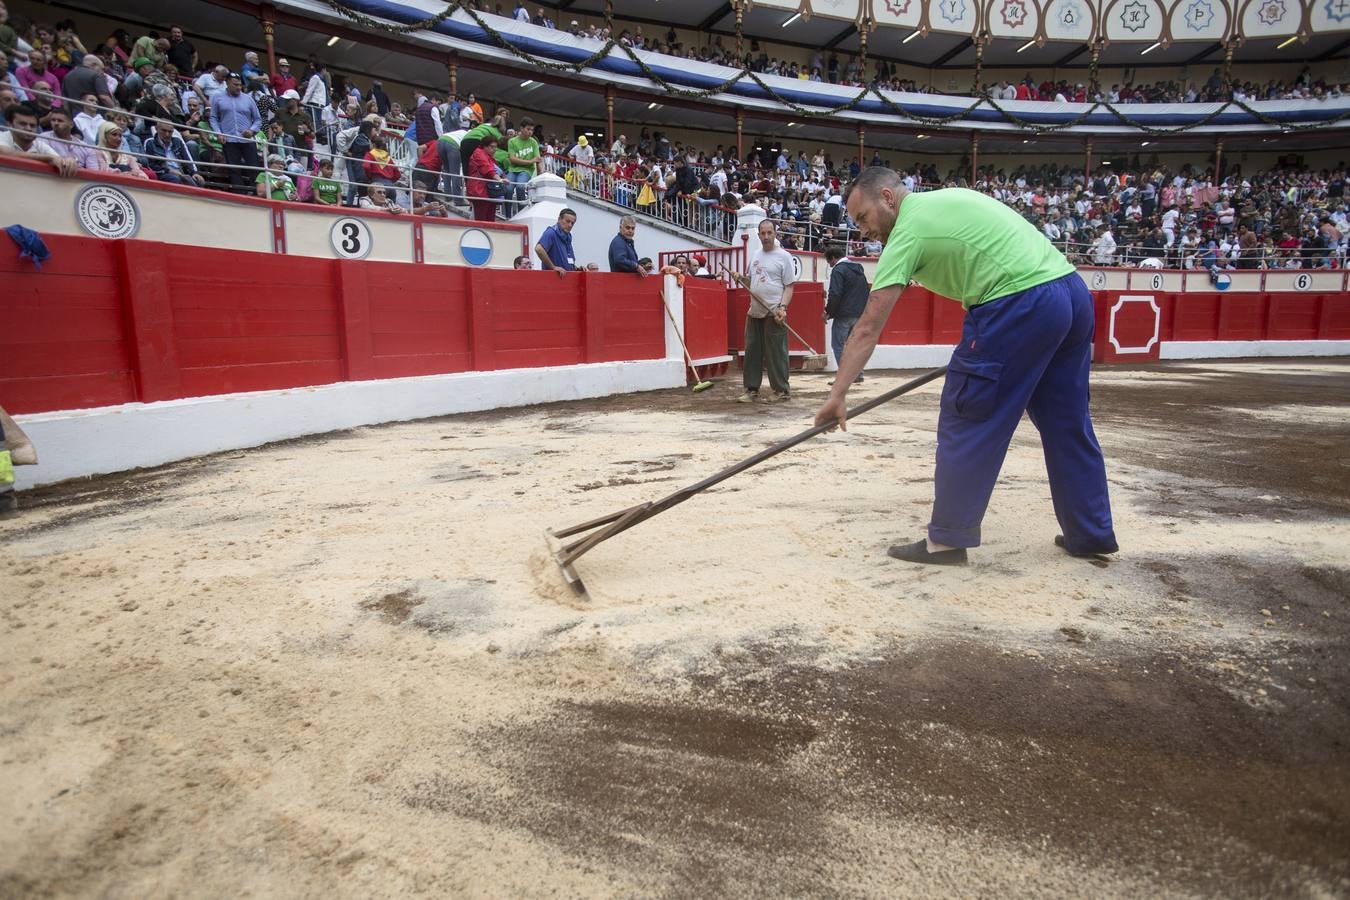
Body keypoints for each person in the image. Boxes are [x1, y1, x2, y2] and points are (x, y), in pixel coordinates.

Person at [813, 166, 1117, 566]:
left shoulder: (908, 229)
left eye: (863, 218)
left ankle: (947, 541)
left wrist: (838, 395)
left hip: (1017, 302)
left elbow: (868, 326)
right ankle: (1090, 533)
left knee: (968, 413)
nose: (864, 230)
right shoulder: (948, 199)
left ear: (887, 197)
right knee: (1067, 421)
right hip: (1070, 293)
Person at [737, 219, 795, 403]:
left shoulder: (784, 256)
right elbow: (751, 282)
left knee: (776, 353)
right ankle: (751, 390)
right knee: (752, 351)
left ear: (775, 234)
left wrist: (783, 307)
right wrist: (740, 279)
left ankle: (781, 391)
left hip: (774, 312)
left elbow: (789, 286)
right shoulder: (755, 255)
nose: (766, 236)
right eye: (763, 233)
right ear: (759, 234)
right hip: (754, 311)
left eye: (769, 233)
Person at [823, 244, 869, 383]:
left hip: (844, 315)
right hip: (860, 313)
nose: (830, 265)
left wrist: (828, 312)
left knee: (838, 345)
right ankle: (858, 374)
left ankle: (845, 377)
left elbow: (835, 294)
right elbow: (865, 291)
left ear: (833, 258)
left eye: (829, 262)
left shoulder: (838, 270)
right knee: (853, 345)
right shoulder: (858, 269)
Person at [209, 72, 261, 188]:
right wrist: (218, 133)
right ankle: (239, 193)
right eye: (235, 85)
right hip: (229, 139)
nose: (239, 87)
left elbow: (258, 119)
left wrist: (252, 131)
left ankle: (256, 194)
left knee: (254, 169)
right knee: (234, 170)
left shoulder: (248, 99)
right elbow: (213, 118)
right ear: (227, 83)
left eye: (240, 85)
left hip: (247, 140)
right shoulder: (217, 98)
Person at [0, 102, 78, 175]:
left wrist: (69, 160)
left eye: (32, 125)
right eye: (23, 124)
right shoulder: (2, 136)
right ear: (9, 125)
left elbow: (58, 160)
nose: (28, 128)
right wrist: (48, 158)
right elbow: (6, 153)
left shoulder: (39, 145)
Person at [534, 207, 597, 276]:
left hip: (566, 279)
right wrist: (553, 267)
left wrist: (576, 268)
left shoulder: (567, 236)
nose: (570, 225)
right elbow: (539, 249)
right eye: (567, 221)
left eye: (572, 223)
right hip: (554, 280)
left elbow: (566, 261)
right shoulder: (551, 232)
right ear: (559, 219)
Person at [141, 119, 204, 185]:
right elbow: (150, 165)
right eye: (164, 130)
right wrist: (169, 170)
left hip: (180, 172)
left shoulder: (177, 141)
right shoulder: (150, 142)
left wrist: (194, 173)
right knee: (174, 179)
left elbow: (187, 158)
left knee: (198, 180)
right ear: (157, 129)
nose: (167, 134)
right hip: (162, 172)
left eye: (170, 132)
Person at [466, 133, 505, 221]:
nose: (494, 149)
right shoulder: (479, 153)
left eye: (495, 147)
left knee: (489, 219)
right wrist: (499, 179)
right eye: (492, 147)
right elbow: (487, 169)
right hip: (480, 191)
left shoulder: (486, 155)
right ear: (484, 146)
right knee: (482, 219)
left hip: (487, 191)